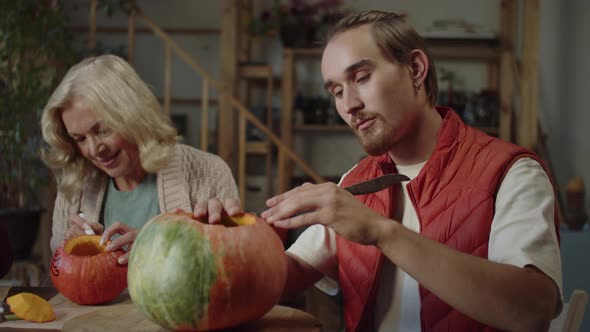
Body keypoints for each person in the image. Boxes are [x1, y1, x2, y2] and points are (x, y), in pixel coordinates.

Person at [204, 10, 563, 332]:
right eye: (336, 91)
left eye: (361, 77)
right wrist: (229, 243)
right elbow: (283, 278)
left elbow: (532, 311)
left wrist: (382, 232)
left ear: (416, 69)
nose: (349, 105)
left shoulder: (512, 172)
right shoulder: (356, 182)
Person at [41, 54, 239, 264]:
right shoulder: (76, 184)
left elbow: (234, 268)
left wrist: (158, 248)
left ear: (134, 116)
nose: (93, 149)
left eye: (103, 130)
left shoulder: (207, 172)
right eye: (79, 139)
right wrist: (69, 251)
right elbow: (57, 271)